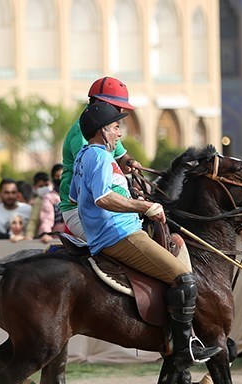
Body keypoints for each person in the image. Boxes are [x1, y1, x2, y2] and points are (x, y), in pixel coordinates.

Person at [69, 101, 221, 368]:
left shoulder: (83, 155)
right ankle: (184, 348)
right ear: (102, 130)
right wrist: (144, 206)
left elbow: (75, 195)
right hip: (119, 234)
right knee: (183, 277)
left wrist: (128, 195)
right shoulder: (101, 156)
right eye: (116, 127)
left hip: (111, 230)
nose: (119, 133)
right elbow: (103, 198)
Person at [59, 76, 140, 239]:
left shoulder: (107, 130)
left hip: (103, 203)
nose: (121, 113)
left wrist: (131, 164)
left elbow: (122, 159)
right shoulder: (84, 134)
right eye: (117, 107)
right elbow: (93, 183)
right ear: (98, 103)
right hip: (81, 208)